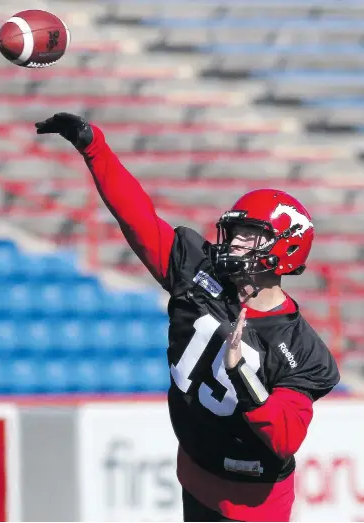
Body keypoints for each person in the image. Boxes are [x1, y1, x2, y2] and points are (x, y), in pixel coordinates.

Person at [35, 113, 340, 522]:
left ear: (283, 251)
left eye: (249, 235)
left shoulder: (302, 349)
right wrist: (94, 147)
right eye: (233, 232)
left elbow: (285, 438)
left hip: (254, 501)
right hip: (195, 472)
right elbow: (137, 217)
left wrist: (242, 375)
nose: (233, 242)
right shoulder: (198, 273)